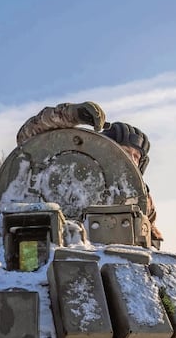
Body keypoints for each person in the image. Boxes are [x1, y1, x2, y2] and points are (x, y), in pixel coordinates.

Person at [16, 102, 162, 248]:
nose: (131, 159)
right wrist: (74, 114)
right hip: (54, 247)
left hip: (112, 256)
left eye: (136, 156)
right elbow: (28, 137)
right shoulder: (71, 172)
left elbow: (150, 240)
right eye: (125, 151)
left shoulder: (141, 198)